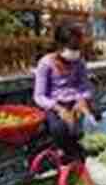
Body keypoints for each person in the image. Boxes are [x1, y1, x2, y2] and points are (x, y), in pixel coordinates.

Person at [33, 22, 98, 159]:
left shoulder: (79, 62)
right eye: (72, 47)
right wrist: (60, 110)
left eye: (78, 47)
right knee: (59, 129)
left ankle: (83, 154)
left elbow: (85, 86)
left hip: (77, 103)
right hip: (56, 106)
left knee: (89, 123)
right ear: (59, 46)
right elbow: (39, 96)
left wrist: (82, 100)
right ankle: (71, 156)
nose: (75, 51)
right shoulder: (46, 63)